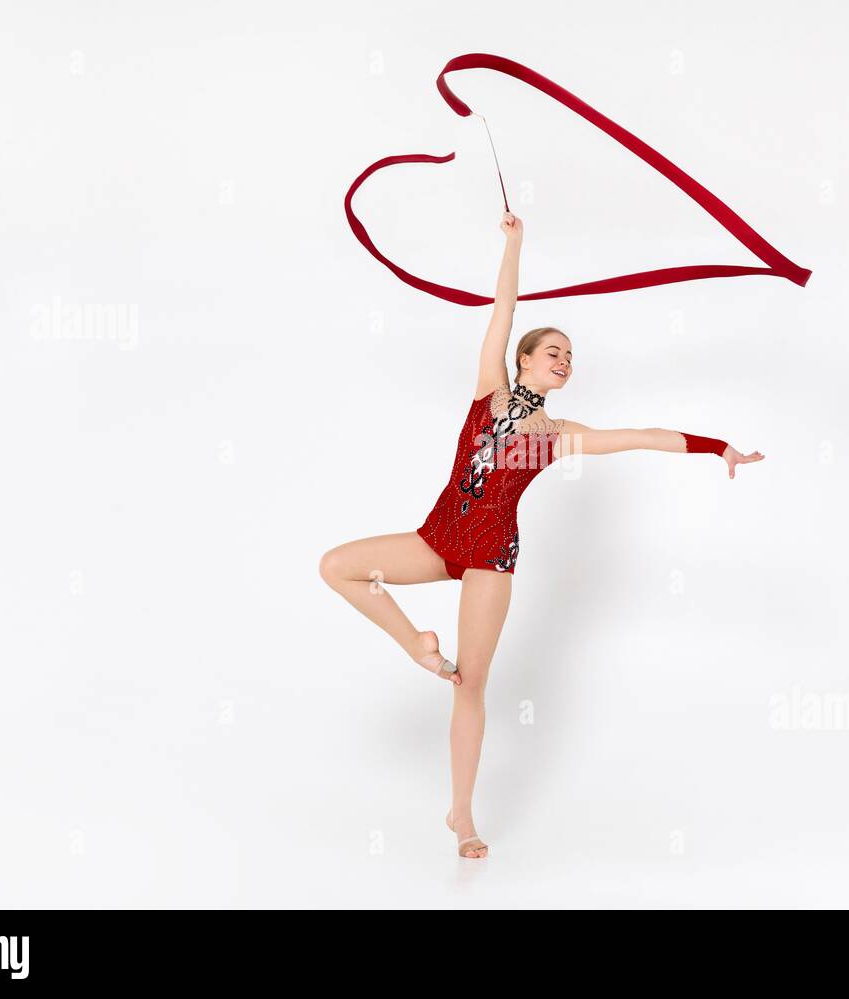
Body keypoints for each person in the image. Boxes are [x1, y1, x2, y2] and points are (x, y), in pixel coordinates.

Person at [319, 211, 765, 858]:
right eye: (554, 351)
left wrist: (715, 445)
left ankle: (462, 816)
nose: (565, 361)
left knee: (471, 683)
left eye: (571, 358)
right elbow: (503, 306)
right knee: (338, 565)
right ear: (524, 358)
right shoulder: (488, 390)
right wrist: (514, 244)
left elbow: (638, 436)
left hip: (490, 559)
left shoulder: (557, 436)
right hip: (438, 535)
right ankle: (415, 641)